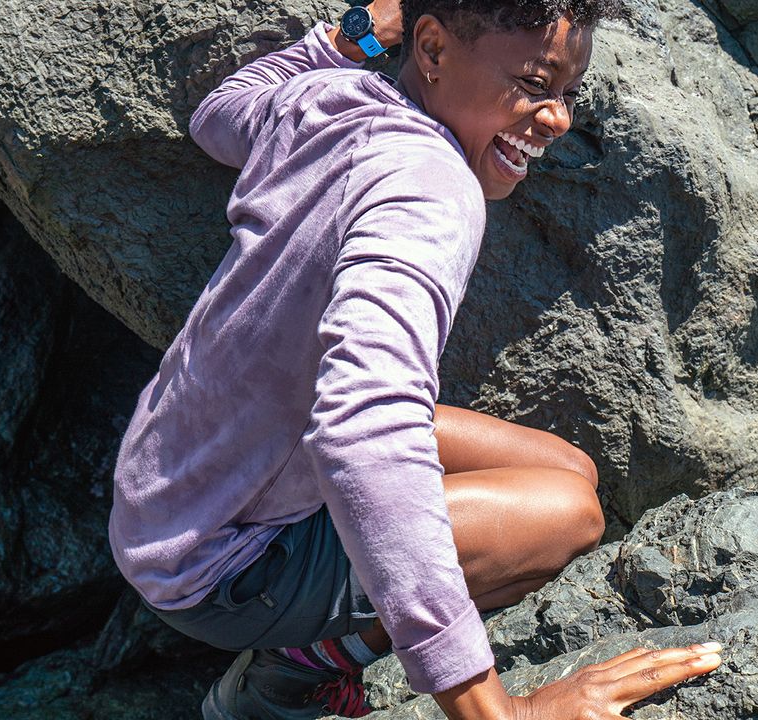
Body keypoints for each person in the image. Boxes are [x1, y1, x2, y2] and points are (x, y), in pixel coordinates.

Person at [108, 0, 724, 717]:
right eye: (532, 83)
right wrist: (501, 712)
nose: (556, 118)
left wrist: (353, 34)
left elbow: (219, 114)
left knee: (569, 472)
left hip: (172, 482)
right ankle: (289, 676)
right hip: (220, 564)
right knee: (567, 516)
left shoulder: (331, 94)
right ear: (431, 47)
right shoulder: (432, 191)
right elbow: (364, 432)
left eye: (568, 93)